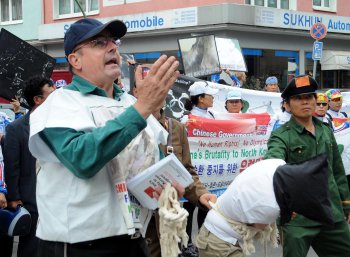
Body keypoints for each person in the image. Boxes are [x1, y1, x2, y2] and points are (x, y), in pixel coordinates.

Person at [28, 18, 179, 257]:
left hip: (133, 238)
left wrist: (169, 186)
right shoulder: (58, 103)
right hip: (82, 246)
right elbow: (82, 159)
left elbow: (153, 161)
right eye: (99, 43)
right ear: (74, 60)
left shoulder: (129, 102)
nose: (112, 48)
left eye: (113, 42)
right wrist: (142, 108)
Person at [264, 75, 350, 257]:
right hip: (298, 218)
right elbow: (272, 168)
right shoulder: (281, 136)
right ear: (287, 105)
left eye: (309, 97)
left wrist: (346, 203)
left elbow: (337, 169)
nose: (305, 102)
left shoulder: (326, 130)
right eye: (297, 98)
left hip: (331, 213)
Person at [196, 155, 337, 257]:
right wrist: (288, 210)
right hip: (218, 243)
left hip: (220, 233)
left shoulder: (277, 164)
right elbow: (259, 226)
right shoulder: (269, 207)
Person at [138, 106, 217, 257]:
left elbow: (186, 170)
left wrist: (201, 194)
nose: (158, 89)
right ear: (135, 91)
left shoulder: (176, 128)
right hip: (139, 219)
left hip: (169, 219)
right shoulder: (129, 124)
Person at [4, 76, 55, 257]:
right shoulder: (16, 129)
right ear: (37, 100)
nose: (57, 99)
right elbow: (11, 167)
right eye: (52, 94)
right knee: (31, 249)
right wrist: (14, 198)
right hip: (30, 201)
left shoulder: (61, 126)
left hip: (57, 199)